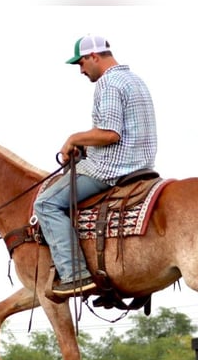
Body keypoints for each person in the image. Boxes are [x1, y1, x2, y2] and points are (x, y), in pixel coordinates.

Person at [34, 35, 158, 298]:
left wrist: (74, 139)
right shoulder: (134, 79)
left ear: (94, 56)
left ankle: (74, 273)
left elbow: (110, 133)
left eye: (81, 63)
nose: (80, 70)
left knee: (44, 204)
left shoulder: (108, 84)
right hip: (142, 164)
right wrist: (86, 147)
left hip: (111, 169)